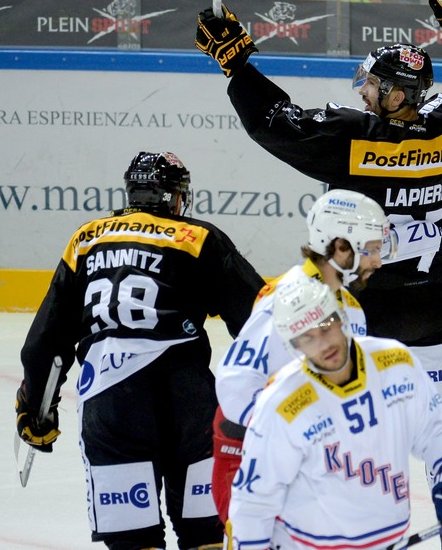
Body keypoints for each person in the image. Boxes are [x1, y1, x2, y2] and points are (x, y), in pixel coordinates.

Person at [196, 0, 442, 549]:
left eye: (371, 84)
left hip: (367, 304)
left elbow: (273, 122)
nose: (362, 89)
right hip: (434, 304)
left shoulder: (356, 139)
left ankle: (343, 511)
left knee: (355, 410)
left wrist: (235, 63)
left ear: (391, 97)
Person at [15, 151, 265, 550]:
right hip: (190, 401)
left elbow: (45, 342)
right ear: (175, 197)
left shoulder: (86, 239)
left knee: (133, 539)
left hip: (113, 405)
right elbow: (260, 320)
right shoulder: (199, 237)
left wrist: (34, 407)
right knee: (207, 535)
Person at [228, 275, 442, 550]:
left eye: (326, 325)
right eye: (307, 336)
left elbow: (435, 430)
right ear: (294, 347)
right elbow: (254, 500)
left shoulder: (395, 363)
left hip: (389, 539)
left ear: (342, 317)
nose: (324, 344)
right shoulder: (282, 403)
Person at [211, 189, 393, 523]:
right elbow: (235, 381)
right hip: (253, 459)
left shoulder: (351, 310)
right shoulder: (289, 297)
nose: (378, 261)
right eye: (371, 249)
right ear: (340, 247)